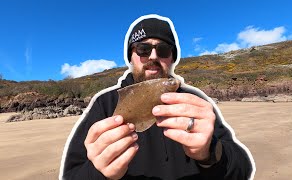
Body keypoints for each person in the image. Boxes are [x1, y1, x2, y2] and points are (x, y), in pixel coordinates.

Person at [59, 14, 255, 180]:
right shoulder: (106, 104)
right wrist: (99, 172)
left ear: (171, 57)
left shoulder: (194, 102)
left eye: (162, 50)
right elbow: (72, 174)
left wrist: (210, 152)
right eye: (143, 49)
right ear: (131, 57)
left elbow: (242, 169)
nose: (153, 56)